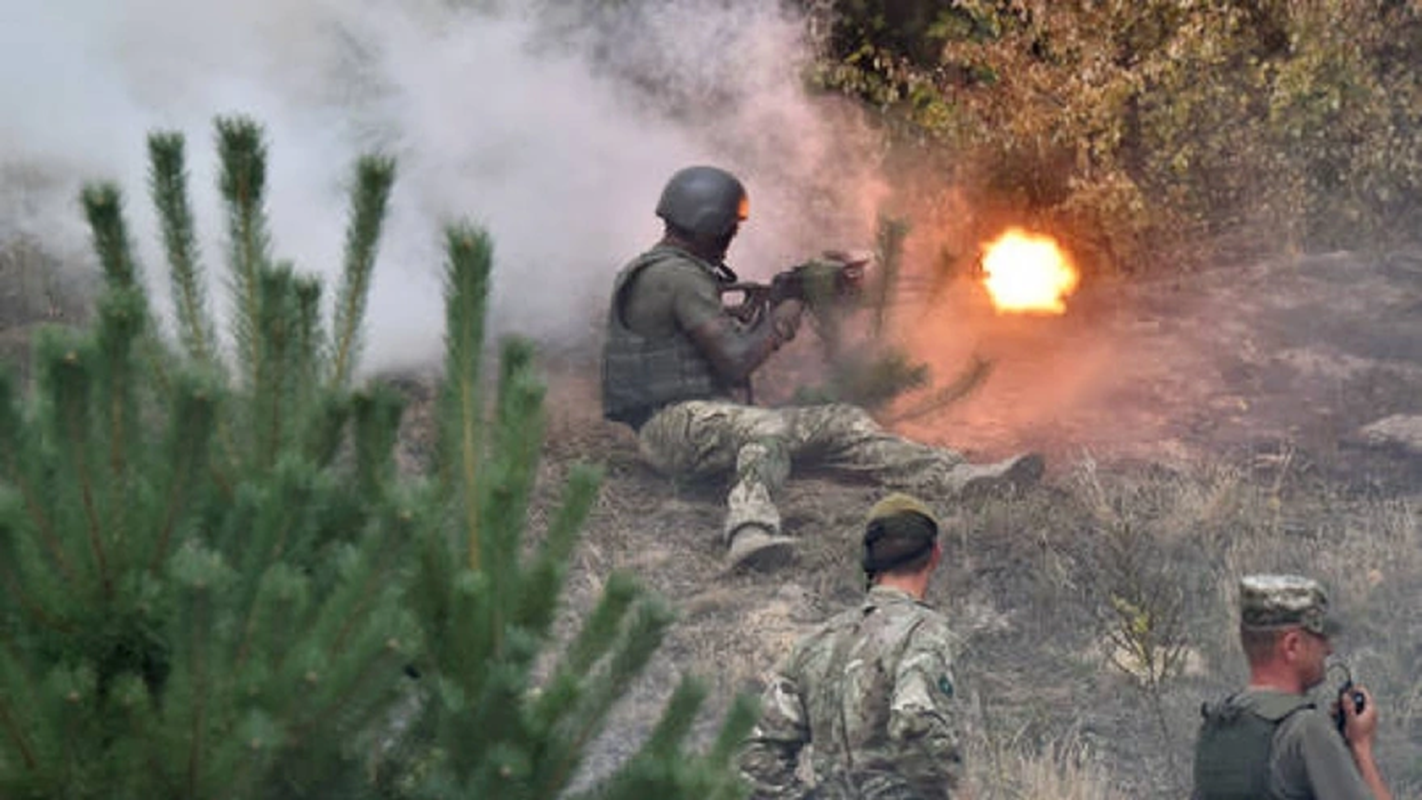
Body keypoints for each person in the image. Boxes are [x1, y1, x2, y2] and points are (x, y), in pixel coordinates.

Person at [602, 164, 1044, 569]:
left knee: (843, 420)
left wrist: (790, 296)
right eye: (730, 230)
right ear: (712, 225)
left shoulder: (683, 273)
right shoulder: (674, 276)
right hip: (669, 428)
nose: (731, 238)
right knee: (766, 431)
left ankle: (958, 476)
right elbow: (736, 363)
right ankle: (750, 530)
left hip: (705, 423)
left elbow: (719, 343)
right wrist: (784, 315)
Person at [738, 493, 966, 799]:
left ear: (868, 560)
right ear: (934, 554)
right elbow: (914, 719)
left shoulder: (816, 641)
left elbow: (757, 757)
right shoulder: (924, 632)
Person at [1192, 574, 1393, 800]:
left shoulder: (1216, 725)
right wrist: (1361, 747)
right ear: (1292, 646)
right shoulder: (1306, 730)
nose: (1328, 649)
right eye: (1321, 637)